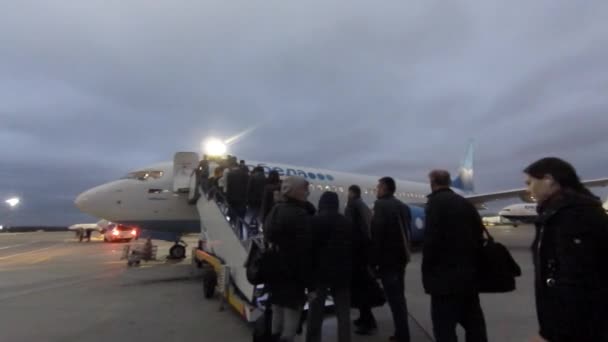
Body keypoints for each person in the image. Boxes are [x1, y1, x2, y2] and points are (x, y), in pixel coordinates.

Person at [524, 157, 608, 342]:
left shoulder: (574, 216)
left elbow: (575, 281)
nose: (527, 189)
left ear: (548, 179)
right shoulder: (556, 212)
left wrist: (553, 334)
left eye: (530, 183)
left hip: (577, 328)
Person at [423, 170, 487, 342]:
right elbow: (479, 235)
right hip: (469, 276)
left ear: (433, 183)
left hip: (443, 280)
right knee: (475, 325)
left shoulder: (434, 204)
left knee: (444, 328)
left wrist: (428, 279)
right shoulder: (465, 203)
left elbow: (430, 244)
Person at [264, 176, 314, 342]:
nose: (307, 192)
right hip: (293, 275)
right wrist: (311, 284)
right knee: (291, 319)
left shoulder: (276, 210)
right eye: (305, 189)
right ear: (297, 191)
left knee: (277, 313)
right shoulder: (300, 214)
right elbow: (305, 251)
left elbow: (268, 235)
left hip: (275, 272)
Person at [306, 191, 353, 342]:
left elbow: (309, 250)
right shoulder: (346, 222)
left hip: (319, 274)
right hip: (342, 275)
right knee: (343, 314)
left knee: (315, 314)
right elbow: (354, 249)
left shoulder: (314, 221)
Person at [370, 177, 412, 342]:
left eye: (378, 187)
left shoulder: (380, 205)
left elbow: (377, 236)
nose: (376, 190)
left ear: (385, 188)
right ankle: (403, 333)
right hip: (401, 258)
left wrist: (373, 263)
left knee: (395, 300)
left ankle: (402, 336)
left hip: (388, 261)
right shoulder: (402, 206)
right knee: (399, 298)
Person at [344, 185, 377, 334]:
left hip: (357, 253)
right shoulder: (363, 205)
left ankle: (367, 321)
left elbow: (350, 228)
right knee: (364, 287)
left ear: (352, 193)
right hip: (365, 251)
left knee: (360, 289)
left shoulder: (352, 205)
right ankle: (366, 318)